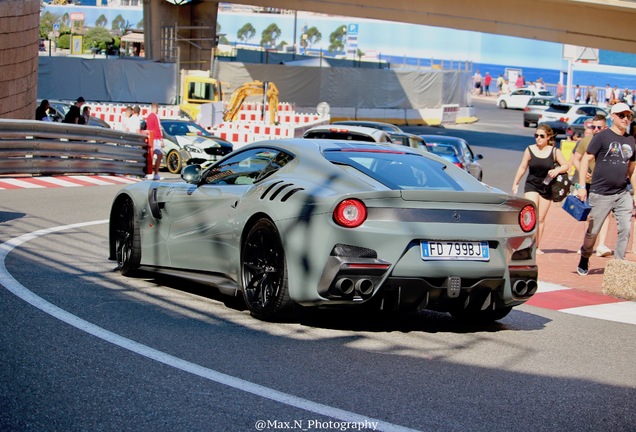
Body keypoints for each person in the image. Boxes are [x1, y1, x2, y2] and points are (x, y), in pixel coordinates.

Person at [575, 103, 636, 275]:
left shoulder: (630, 140)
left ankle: (618, 264)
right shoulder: (602, 137)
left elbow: (632, 169)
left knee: (625, 228)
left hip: (622, 192)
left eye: (628, 116)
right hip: (600, 193)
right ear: (613, 116)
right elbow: (585, 159)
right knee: (593, 232)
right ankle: (585, 257)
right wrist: (581, 187)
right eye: (622, 115)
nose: (625, 119)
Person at [512, 124, 569, 254]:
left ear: (548, 137)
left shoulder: (554, 151)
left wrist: (557, 170)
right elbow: (522, 167)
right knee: (531, 215)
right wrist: (516, 183)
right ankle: (527, 243)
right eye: (536, 135)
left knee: (541, 218)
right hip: (531, 184)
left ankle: (537, 246)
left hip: (547, 187)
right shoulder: (530, 149)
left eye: (541, 136)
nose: (538, 138)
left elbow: (566, 165)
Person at [571, 114, 612, 257]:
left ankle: (601, 245)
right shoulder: (586, 141)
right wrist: (583, 172)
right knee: (588, 214)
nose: (595, 130)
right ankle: (586, 244)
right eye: (593, 127)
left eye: (598, 127)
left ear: (605, 127)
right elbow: (576, 159)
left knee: (606, 214)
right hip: (588, 183)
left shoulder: (610, 142)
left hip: (604, 183)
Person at [145, 102, 164, 180]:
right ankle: (155, 173)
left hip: (150, 137)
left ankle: (149, 172)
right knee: (160, 155)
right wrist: (161, 139)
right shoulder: (156, 116)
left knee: (151, 155)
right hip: (156, 138)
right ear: (155, 108)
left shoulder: (148, 117)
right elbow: (158, 127)